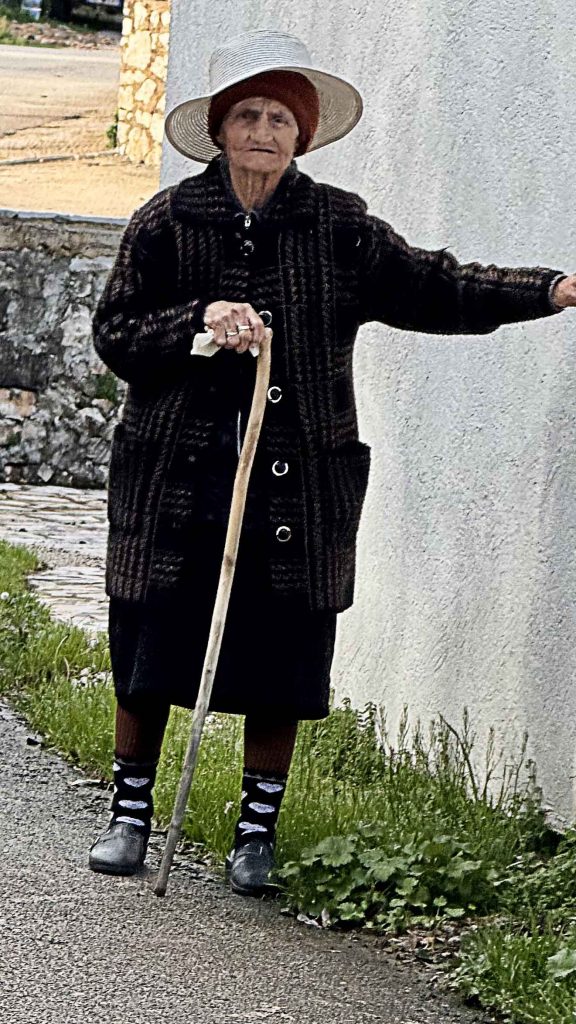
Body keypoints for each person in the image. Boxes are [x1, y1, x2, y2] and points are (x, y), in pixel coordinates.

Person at [89, 29, 576, 895]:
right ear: (220, 129)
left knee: (280, 656)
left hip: (297, 487)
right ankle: (129, 816)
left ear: (302, 136)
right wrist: (199, 322)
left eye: (280, 119)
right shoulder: (167, 222)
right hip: (175, 483)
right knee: (152, 641)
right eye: (248, 115)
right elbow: (116, 333)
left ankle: (255, 835)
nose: (264, 132)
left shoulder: (337, 227)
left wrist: (548, 289)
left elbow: (436, 284)